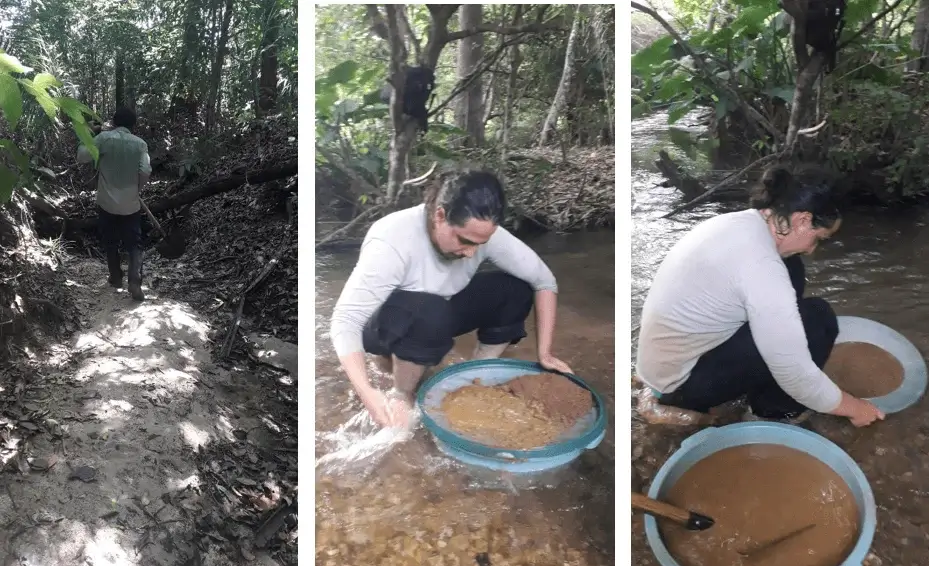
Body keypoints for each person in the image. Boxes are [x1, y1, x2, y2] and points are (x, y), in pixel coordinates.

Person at [635, 164, 885, 428]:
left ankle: (758, 382)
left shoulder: (740, 222)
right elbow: (796, 375)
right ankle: (772, 413)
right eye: (819, 238)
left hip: (661, 368)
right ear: (802, 220)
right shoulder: (762, 268)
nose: (813, 250)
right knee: (818, 319)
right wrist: (856, 408)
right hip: (679, 387)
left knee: (792, 267)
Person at [330, 168, 573, 428]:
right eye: (465, 241)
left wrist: (545, 353)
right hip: (385, 323)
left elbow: (544, 281)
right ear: (440, 216)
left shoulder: (481, 234)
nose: (471, 253)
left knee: (515, 289)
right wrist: (368, 394)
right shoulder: (392, 240)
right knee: (429, 311)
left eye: (481, 243)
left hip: (439, 310)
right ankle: (402, 392)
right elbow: (346, 320)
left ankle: (475, 375)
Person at [77, 107, 152, 301]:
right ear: (133, 125)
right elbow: (145, 171)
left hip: (106, 202)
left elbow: (82, 156)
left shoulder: (103, 138)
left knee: (110, 241)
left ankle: (116, 278)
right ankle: (135, 278)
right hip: (131, 203)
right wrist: (137, 189)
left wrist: (88, 134)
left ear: (114, 122)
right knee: (134, 243)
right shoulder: (141, 144)